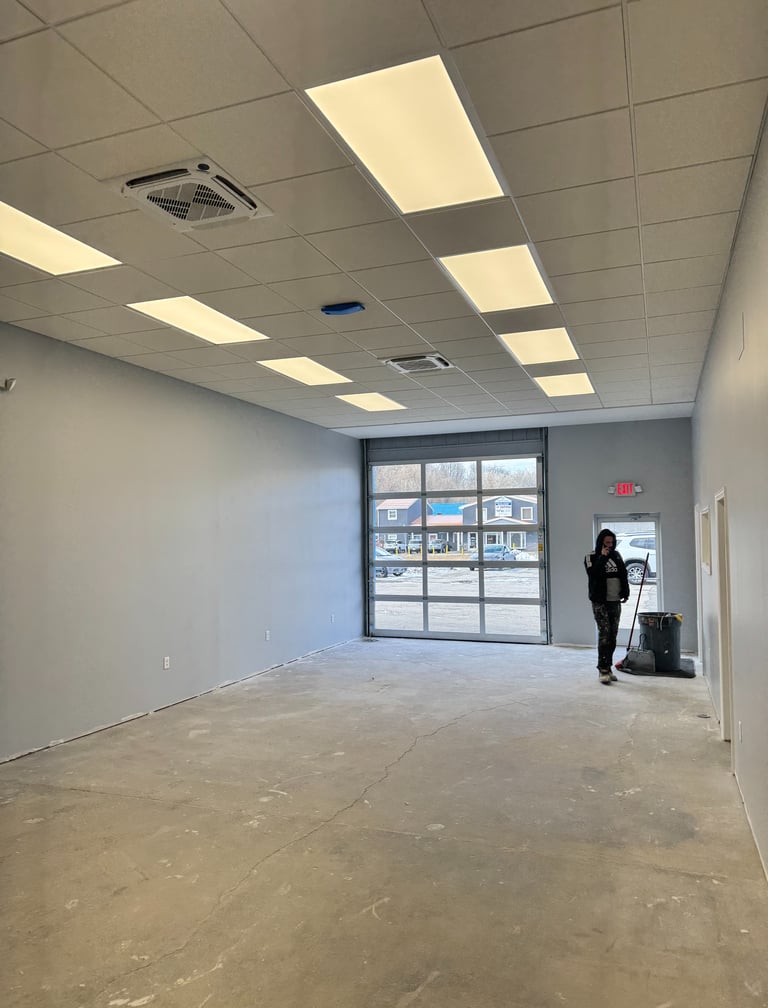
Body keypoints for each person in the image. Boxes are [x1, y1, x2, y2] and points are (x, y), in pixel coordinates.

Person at [584, 529, 630, 685]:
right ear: (601, 542)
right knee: (604, 634)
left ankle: (608, 667)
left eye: (612, 542)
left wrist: (625, 592)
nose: (610, 545)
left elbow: (623, 574)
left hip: (615, 601)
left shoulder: (617, 555)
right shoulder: (591, 556)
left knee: (612, 636)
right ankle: (602, 670)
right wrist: (603, 557)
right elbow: (593, 574)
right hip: (600, 602)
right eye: (607, 543)